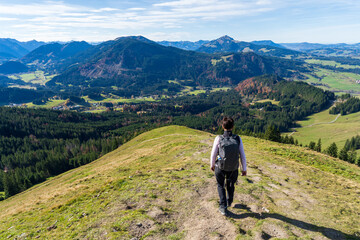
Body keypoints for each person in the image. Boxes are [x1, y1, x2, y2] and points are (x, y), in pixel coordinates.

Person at [210, 117, 247, 216]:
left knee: (220, 185)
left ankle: (223, 206)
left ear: (222, 126)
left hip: (220, 166)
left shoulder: (218, 138)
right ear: (233, 127)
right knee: (231, 184)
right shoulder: (237, 138)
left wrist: (212, 164)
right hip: (234, 168)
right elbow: (242, 155)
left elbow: (214, 153)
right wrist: (244, 169)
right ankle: (229, 200)